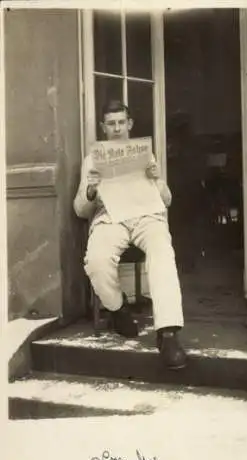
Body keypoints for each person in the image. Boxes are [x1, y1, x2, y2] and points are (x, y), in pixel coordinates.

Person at [74, 100, 187, 370]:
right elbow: (79, 209)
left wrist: (157, 180)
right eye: (110, 123)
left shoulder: (145, 154)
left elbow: (167, 200)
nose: (116, 128)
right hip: (111, 218)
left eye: (121, 122)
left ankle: (168, 332)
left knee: (162, 253)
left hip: (146, 216)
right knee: (97, 261)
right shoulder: (92, 159)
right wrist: (90, 191)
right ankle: (117, 308)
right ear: (103, 127)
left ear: (130, 124)